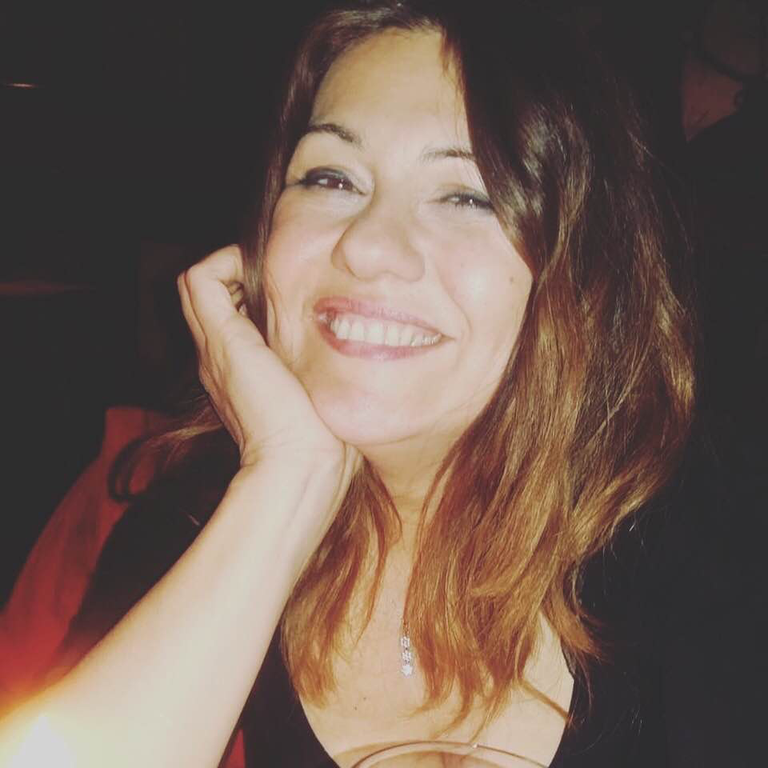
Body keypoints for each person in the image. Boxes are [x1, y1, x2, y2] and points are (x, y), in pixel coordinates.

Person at [0, 1, 763, 766]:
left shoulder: (709, 542)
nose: (366, 247)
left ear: (585, 273)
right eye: (330, 178)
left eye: (466, 195)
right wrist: (286, 482)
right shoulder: (188, 529)